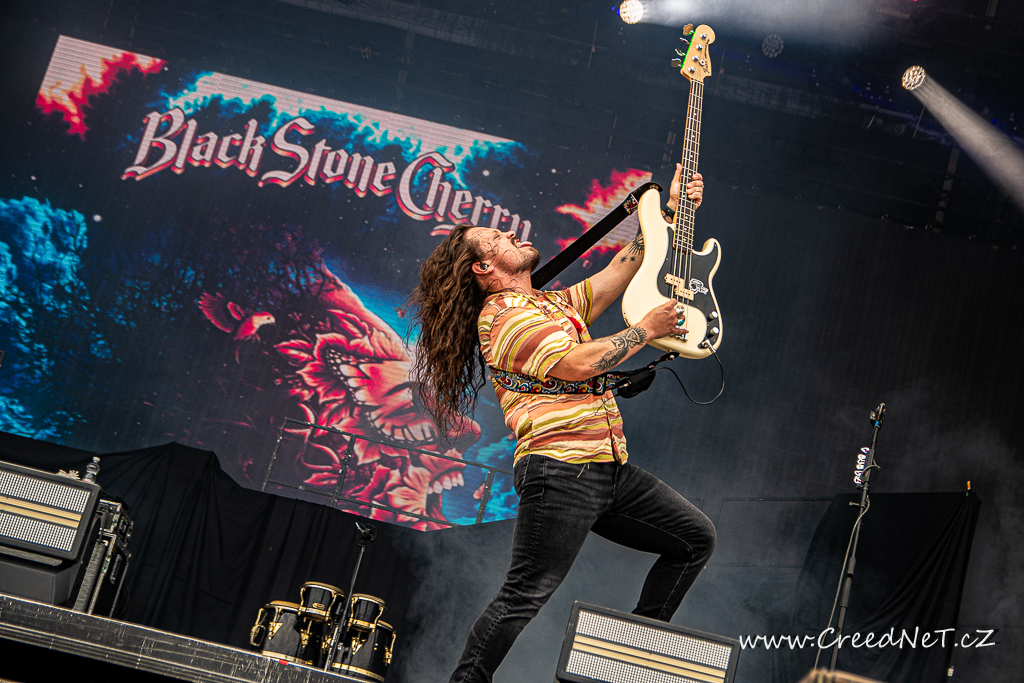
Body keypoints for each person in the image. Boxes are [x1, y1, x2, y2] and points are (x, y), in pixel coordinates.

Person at [408, 165, 716, 683]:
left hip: (607, 468)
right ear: (484, 267)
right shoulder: (503, 316)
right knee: (524, 593)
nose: (509, 233)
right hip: (560, 471)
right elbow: (575, 363)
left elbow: (619, 271)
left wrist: (669, 213)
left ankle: (625, 666)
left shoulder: (547, 304)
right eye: (496, 238)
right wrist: (645, 330)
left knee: (694, 538)